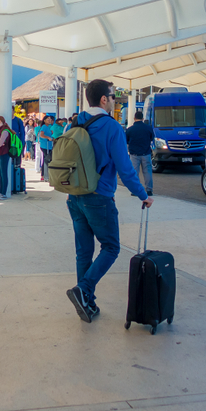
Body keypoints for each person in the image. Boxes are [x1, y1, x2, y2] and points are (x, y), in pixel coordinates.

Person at [65, 79, 153, 323]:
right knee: (111, 247)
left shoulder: (75, 122)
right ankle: (83, 290)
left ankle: (87, 303)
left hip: (74, 196)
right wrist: (144, 195)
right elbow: (126, 169)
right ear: (103, 99)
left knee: (83, 252)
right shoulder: (111, 127)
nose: (115, 100)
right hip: (99, 197)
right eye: (113, 96)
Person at [125, 110, 156, 196]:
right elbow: (151, 138)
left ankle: (135, 191)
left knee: (135, 173)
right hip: (146, 153)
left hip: (134, 154)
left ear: (134, 118)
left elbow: (126, 141)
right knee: (147, 172)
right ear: (142, 118)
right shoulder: (148, 128)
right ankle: (149, 190)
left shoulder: (130, 130)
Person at [37, 114, 55, 181]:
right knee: (46, 159)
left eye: (50, 119)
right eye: (48, 119)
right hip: (45, 146)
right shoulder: (44, 126)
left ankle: (45, 174)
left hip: (49, 146)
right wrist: (48, 137)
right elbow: (41, 135)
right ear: (44, 121)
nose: (50, 120)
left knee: (47, 159)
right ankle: (44, 175)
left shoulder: (48, 127)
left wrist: (51, 134)